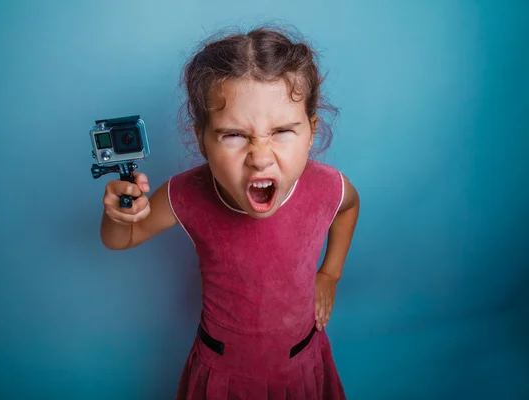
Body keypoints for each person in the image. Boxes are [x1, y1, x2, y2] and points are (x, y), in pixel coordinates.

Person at [100, 25, 360, 400]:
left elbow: (348, 206)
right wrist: (118, 215)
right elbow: (120, 239)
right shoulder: (187, 194)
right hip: (222, 378)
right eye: (234, 135)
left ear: (311, 131)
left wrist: (330, 274)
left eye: (283, 130)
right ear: (202, 140)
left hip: (301, 368)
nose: (259, 156)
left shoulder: (327, 187)